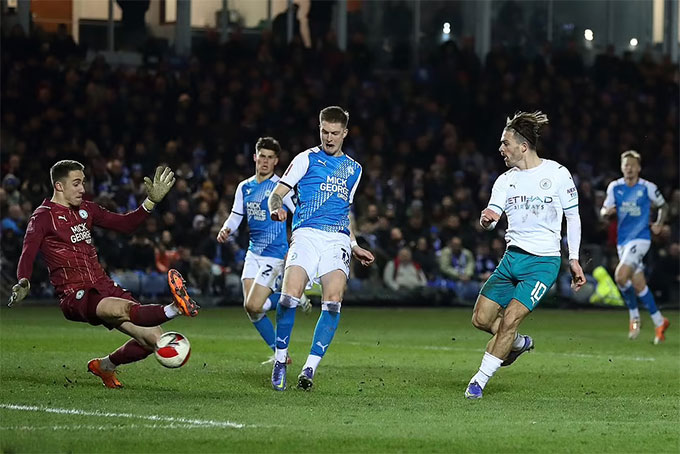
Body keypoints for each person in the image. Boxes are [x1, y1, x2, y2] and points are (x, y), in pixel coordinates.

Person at [8, 160, 199, 388]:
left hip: (103, 285)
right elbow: (28, 253)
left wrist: (150, 202)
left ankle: (105, 366)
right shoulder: (42, 217)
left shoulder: (87, 209)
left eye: (83, 183)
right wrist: (23, 280)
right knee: (123, 309)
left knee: (153, 341)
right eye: (76, 183)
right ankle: (176, 308)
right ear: (59, 186)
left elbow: (125, 224)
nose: (82, 189)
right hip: (75, 293)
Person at [465, 111, 586, 399]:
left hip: (543, 263)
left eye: (505, 143)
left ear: (522, 146)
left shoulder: (557, 174)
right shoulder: (505, 180)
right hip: (511, 259)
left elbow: (574, 217)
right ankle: (517, 344)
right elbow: (493, 216)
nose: (500, 149)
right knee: (481, 319)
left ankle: (478, 382)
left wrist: (574, 258)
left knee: (509, 320)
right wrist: (488, 219)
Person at [267, 106, 374, 391]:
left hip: (336, 239)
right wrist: (276, 210)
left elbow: (344, 212)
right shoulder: (306, 158)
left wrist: (353, 244)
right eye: (324, 132)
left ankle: (309, 368)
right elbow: (277, 194)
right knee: (289, 297)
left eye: (335, 133)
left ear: (345, 134)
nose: (329, 138)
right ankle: (279, 361)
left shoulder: (354, 169)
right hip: (306, 235)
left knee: (333, 300)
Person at [216, 137, 310, 362]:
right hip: (253, 253)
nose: (265, 161)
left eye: (270, 158)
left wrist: (300, 240)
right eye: (262, 156)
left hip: (274, 255)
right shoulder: (245, 187)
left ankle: (292, 296)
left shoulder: (280, 189)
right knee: (252, 310)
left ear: (276, 161)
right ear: (255, 157)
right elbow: (236, 214)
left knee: (253, 304)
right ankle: (281, 355)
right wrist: (226, 229)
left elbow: (299, 212)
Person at [600, 150, 669, 343]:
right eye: (625, 165)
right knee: (638, 285)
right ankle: (659, 321)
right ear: (621, 167)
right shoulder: (615, 187)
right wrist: (606, 212)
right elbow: (603, 210)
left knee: (620, 276)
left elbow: (664, 206)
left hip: (641, 239)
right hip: (622, 241)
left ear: (639, 167)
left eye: (632, 165)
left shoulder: (647, 187)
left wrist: (659, 223)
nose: (628, 168)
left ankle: (634, 317)